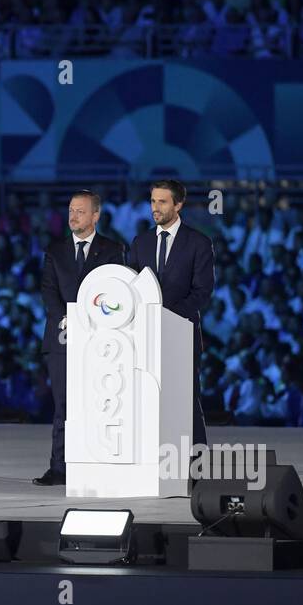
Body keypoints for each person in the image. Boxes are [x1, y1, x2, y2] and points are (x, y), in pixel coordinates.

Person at [34, 190, 127, 486]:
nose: (73, 216)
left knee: (101, 404)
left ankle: (100, 464)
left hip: (101, 340)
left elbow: (116, 290)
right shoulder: (55, 250)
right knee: (63, 406)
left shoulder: (113, 250)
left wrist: (91, 321)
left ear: (95, 215)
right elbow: (48, 291)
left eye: (81, 211)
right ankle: (59, 467)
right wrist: (68, 318)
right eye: (71, 211)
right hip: (62, 338)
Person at [128, 179, 215, 448]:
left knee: (187, 399)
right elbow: (131, 286)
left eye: (162, 202)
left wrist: (167, 316)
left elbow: (202, 291)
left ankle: (198, 465)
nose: (155, 207)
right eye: (153, 201)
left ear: (178, 204)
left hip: (182, 333)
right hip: (145, 335)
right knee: (145, 398)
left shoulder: (198, 242)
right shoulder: (140, 242)